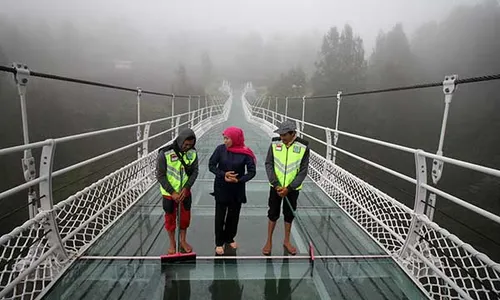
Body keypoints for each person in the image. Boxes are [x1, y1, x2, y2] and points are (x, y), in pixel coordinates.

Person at [262, 120, 310, 256]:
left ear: (293, 133)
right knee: (273, 213)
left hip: (292, 189)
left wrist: (289, 188)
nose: (282, 138)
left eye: (284, 135)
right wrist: (276, 184)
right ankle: (269, 241)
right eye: (281, 135)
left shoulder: (303, 146)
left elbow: (303, 170)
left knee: (289, 215)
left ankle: (287, 241)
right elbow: (268, 164)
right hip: (276, 187)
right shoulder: (274, 143)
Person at [209, 126, 256, 255]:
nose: (225, 141)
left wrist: (240, 180)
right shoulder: (220, 150)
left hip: (237, 188)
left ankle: (229, 238)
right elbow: (211, 165)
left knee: (233, 215)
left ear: (235, 139)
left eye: (227, 138)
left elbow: (252, 172)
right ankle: (219, 242)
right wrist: (223, 174)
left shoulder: (245, 152)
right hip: (221, 187)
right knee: (220, 216)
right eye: (224, 138)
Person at [157, 128, 199, 254]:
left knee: (184, 220)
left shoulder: (193, 153)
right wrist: (172, 192)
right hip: (169, 194)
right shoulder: (164, 154)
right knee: (170, 220)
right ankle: (172, 243)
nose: (187, 147)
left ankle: (183, 241)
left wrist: (187, 188)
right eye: (185, 144)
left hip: (185, 193)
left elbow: (195, 172)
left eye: (190, 145)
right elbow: (160, 175)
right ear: (180, 140)